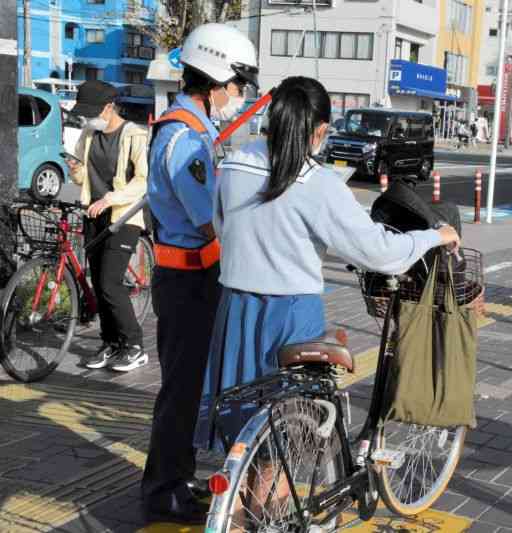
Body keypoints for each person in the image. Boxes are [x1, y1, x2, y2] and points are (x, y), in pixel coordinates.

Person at [192, 75, 461, 459]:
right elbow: (379, 251)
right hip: (290, 316)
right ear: (319, 130)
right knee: (283, 442)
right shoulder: (318, 182)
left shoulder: (233, 165)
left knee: (243, 431)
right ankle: (269, 513)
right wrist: (435, 236)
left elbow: (222, 227)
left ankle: (235, 510)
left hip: (235, 309)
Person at [140, 23, 259, 524]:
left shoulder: (190, 131)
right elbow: (206, 219)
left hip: (189, 280)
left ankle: (174, 481)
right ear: (214, 82)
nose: (238, 98)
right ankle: (164, 492)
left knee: (188, 389)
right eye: (236, 87)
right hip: (188, 281)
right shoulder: (187, 141)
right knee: (182, 391)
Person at [66, 81, 148, 372]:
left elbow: (143, 181)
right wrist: (76, 171)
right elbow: (83, 179)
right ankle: (111, 342)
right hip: (94, 214)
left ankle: (134, 345)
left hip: (124, 217)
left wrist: (112, 199)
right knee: (98, 283)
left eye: (91, 112)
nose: (87, 119)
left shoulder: (135, 135)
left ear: (109, 107)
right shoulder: (89, 134)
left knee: (110, 283)